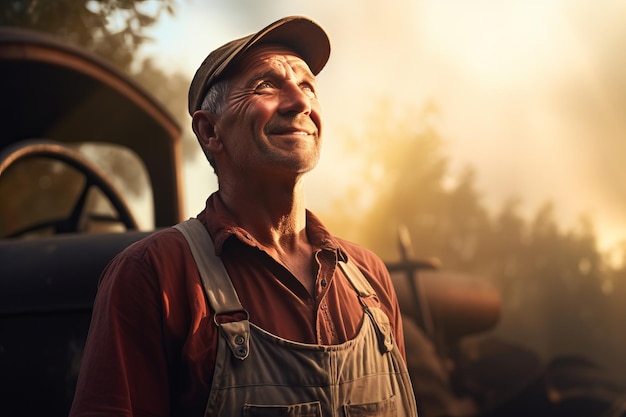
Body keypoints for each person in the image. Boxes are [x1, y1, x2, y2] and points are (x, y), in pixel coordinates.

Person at [70, 15, 418, 417]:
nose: (301, 102)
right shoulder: (152, 275)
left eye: (308, 86)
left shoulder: (370, 278)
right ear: (210, 132)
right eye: (267, 85)